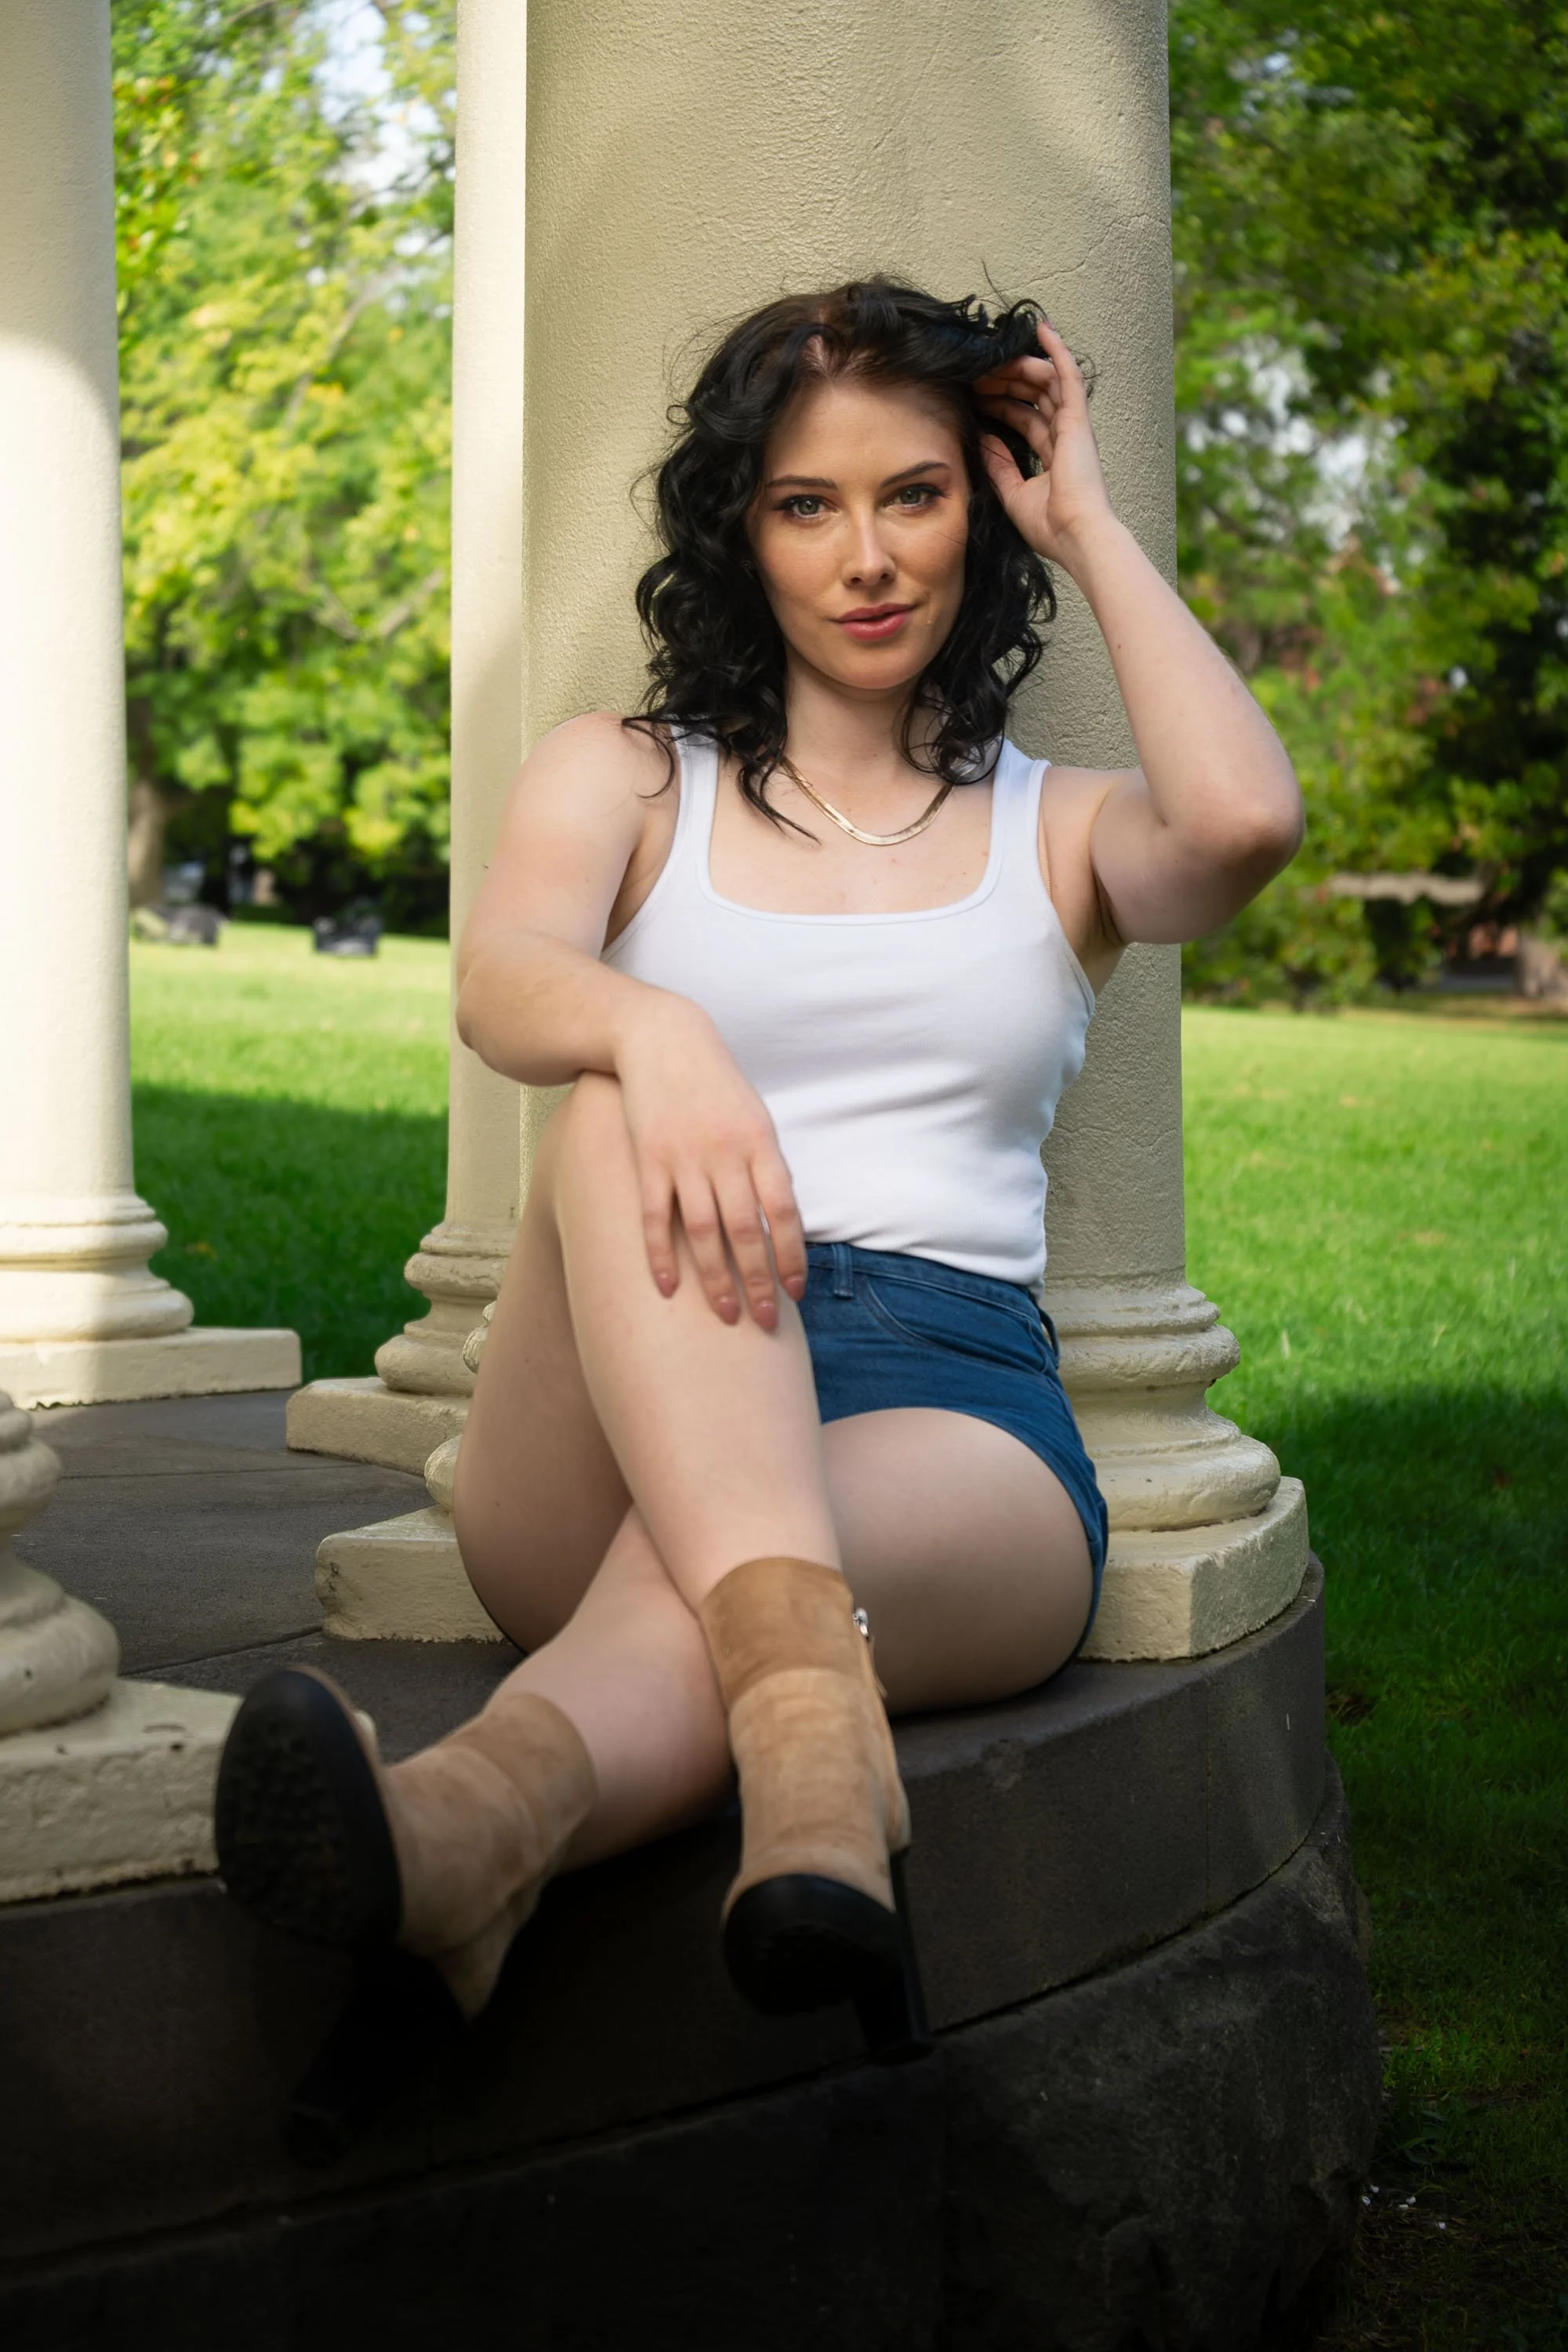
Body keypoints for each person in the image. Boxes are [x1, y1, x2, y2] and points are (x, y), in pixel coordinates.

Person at [215, 281, 1303, 2061]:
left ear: (983, 506)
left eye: (915, 494)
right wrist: (665, 1037)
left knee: (722, 1580)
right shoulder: (631, 779)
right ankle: (815, 1779)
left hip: (946, 1414)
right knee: (616, 1102)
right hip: (625, 1400)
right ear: (744, 534)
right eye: (808, 504)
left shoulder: (1063, 827)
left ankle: (463, 1839)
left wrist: (1090, 519)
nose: (865, 555)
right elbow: (504, 986)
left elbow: (1247, 824)